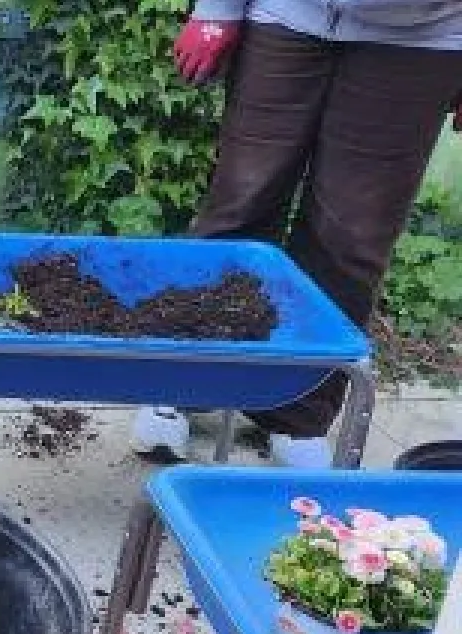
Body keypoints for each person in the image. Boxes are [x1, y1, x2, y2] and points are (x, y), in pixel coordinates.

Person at [131, 0, 462, 467]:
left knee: (351, 241)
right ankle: (183, 387)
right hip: (286, 18)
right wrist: (217, 9)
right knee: (238, 211)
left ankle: (299, 416)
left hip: (418, 39)